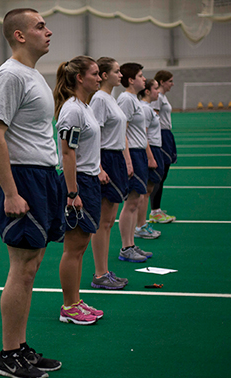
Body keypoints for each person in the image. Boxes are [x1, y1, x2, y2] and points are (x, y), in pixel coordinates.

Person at [0, 8, 62, 378]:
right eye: (40, 26)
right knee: (22, 267)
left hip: (43, 176)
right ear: (19, 35)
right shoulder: (10, 75)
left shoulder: (32, 74)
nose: (49, 31)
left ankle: (21, 345)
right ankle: (8, 354)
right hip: (24, 179)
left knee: (32, 266)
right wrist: (12, 193)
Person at [53, 55, 104, 324]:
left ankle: (76, 299)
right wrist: (73, 193)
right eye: (95, 74)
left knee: (81, 246)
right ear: (79, 78)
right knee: (73, 248)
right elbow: (67, 153)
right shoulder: (72, 109)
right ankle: (69, 306)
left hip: (89, 179)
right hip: (79, 182)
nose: (100, 78)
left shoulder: (85, 106)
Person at [88, 57, 130, 290]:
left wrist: (126, 161)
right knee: (103, 223)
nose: (120, 75)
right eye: (116, 71)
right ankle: (100, 274)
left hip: (115, 159)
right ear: (104, 75)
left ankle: (104, 271)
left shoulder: (110, 99)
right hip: (105, 159)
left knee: (108, 222)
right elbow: (94, 135)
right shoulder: (99, 100)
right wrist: (100, 168)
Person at [116, 63, 154, 263]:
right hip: (133, 153)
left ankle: (131, 244)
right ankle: (126, 247)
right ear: (130, 80)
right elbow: (122, 132)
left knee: (137, 200)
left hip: (139, 153)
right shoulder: (125, 99)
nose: (144, 78)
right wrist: (128, 160)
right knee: (131, 202)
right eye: (140, 75)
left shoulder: (134, 100)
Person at [135, 79, 164, 239]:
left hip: (154, 148)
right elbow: (143, 134)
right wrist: (150, 157)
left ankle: (142, 224)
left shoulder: (148, 108)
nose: (158, 92)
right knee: (145, 191)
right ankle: (140, 226)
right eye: (155, 88)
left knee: (148, 190)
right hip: (150, 149)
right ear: (147, 91)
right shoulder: (145, 109)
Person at [149, 70, 177, 223]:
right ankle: (154, 211)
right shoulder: (157, 97)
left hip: (166, 135)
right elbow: (153, 119)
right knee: (159, 175)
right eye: (170, 81)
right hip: (160, 135)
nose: (172, 84)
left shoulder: (162, 97)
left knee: (163, 174)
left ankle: (157, 209)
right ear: (162, 81)